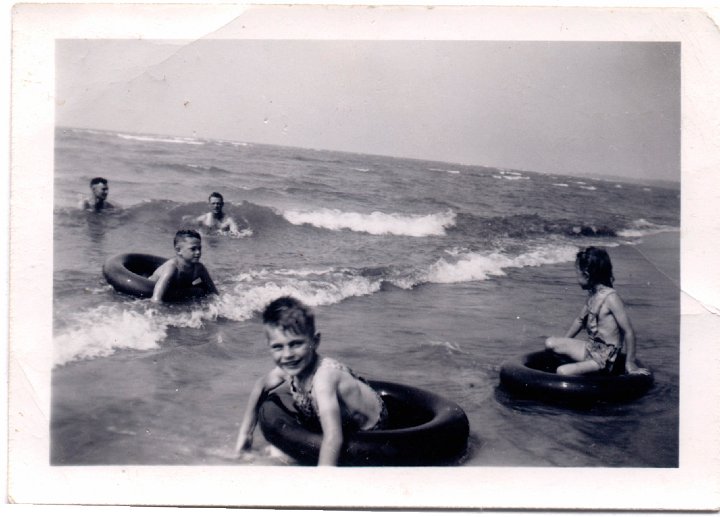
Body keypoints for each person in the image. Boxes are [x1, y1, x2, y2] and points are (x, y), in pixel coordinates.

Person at [235, 296, 388, 466]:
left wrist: (320, 482)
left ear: (314, 341)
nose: (287, 355)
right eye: (278, 347)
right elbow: (261, 385)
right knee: (275, 454)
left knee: (280, 460)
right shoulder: (290, 367)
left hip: (372, 431)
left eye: (296, 344)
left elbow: (333, 438)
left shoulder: (323, 379)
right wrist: (245, 435)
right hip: (342, 422)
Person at [545, 247, 650, 376]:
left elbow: (628, 331)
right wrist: (565, 343)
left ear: (587, 275)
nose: (576, 278)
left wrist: (630, 362)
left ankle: (588, 373)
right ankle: (581, 367)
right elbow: (579, 320)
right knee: (550, 343)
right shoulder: (593, 295)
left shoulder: (611, 298)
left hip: (604, 359)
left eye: (577, 274)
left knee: (562, 371)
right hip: (591, 348)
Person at [148, 229, 218, 303]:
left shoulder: (199, 268)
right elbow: (156, 298)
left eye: (199, 248)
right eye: (193, 249)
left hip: (177, 289)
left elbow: (214, 293)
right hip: (148, 286)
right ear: (178, 250)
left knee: (199, 291)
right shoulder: (172, 267)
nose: (198, 252)